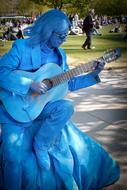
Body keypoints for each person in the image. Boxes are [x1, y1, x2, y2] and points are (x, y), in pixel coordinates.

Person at [0, 9, 120, 190]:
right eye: (61, 35)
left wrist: (93, 74)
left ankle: (42, 144)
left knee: (66, 106)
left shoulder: (60, 55)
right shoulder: (21, 48)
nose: (64, 38)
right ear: (48, 31)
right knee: (12, 157)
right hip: (14, 112)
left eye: (66, 34)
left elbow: (68, 84)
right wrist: (28, 83)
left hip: (41, 109)